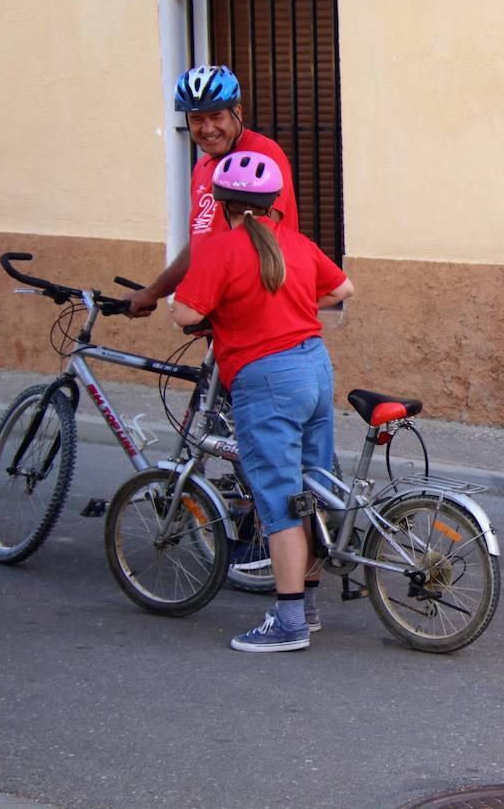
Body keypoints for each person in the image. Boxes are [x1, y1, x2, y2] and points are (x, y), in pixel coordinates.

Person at [172, 151, 352, 652]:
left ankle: (290, 623)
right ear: (275, 202)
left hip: (266, 377)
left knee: (278, 499)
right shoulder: (295, 242)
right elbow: (344, 287)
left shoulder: (221, 250)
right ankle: (310, 609)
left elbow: (186, 314)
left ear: (223, 202)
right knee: (311, 487)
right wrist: (288, 300)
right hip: (315, 366)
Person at [126, 65, 299, 316]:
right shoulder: (203, 168)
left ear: (237, 112)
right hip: (218, 313)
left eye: (216, 116)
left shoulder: (260, 156)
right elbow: (200, 246)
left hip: (256, 314)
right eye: (197, 119)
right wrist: (153, 292)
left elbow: (263, 237)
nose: (207, 129)